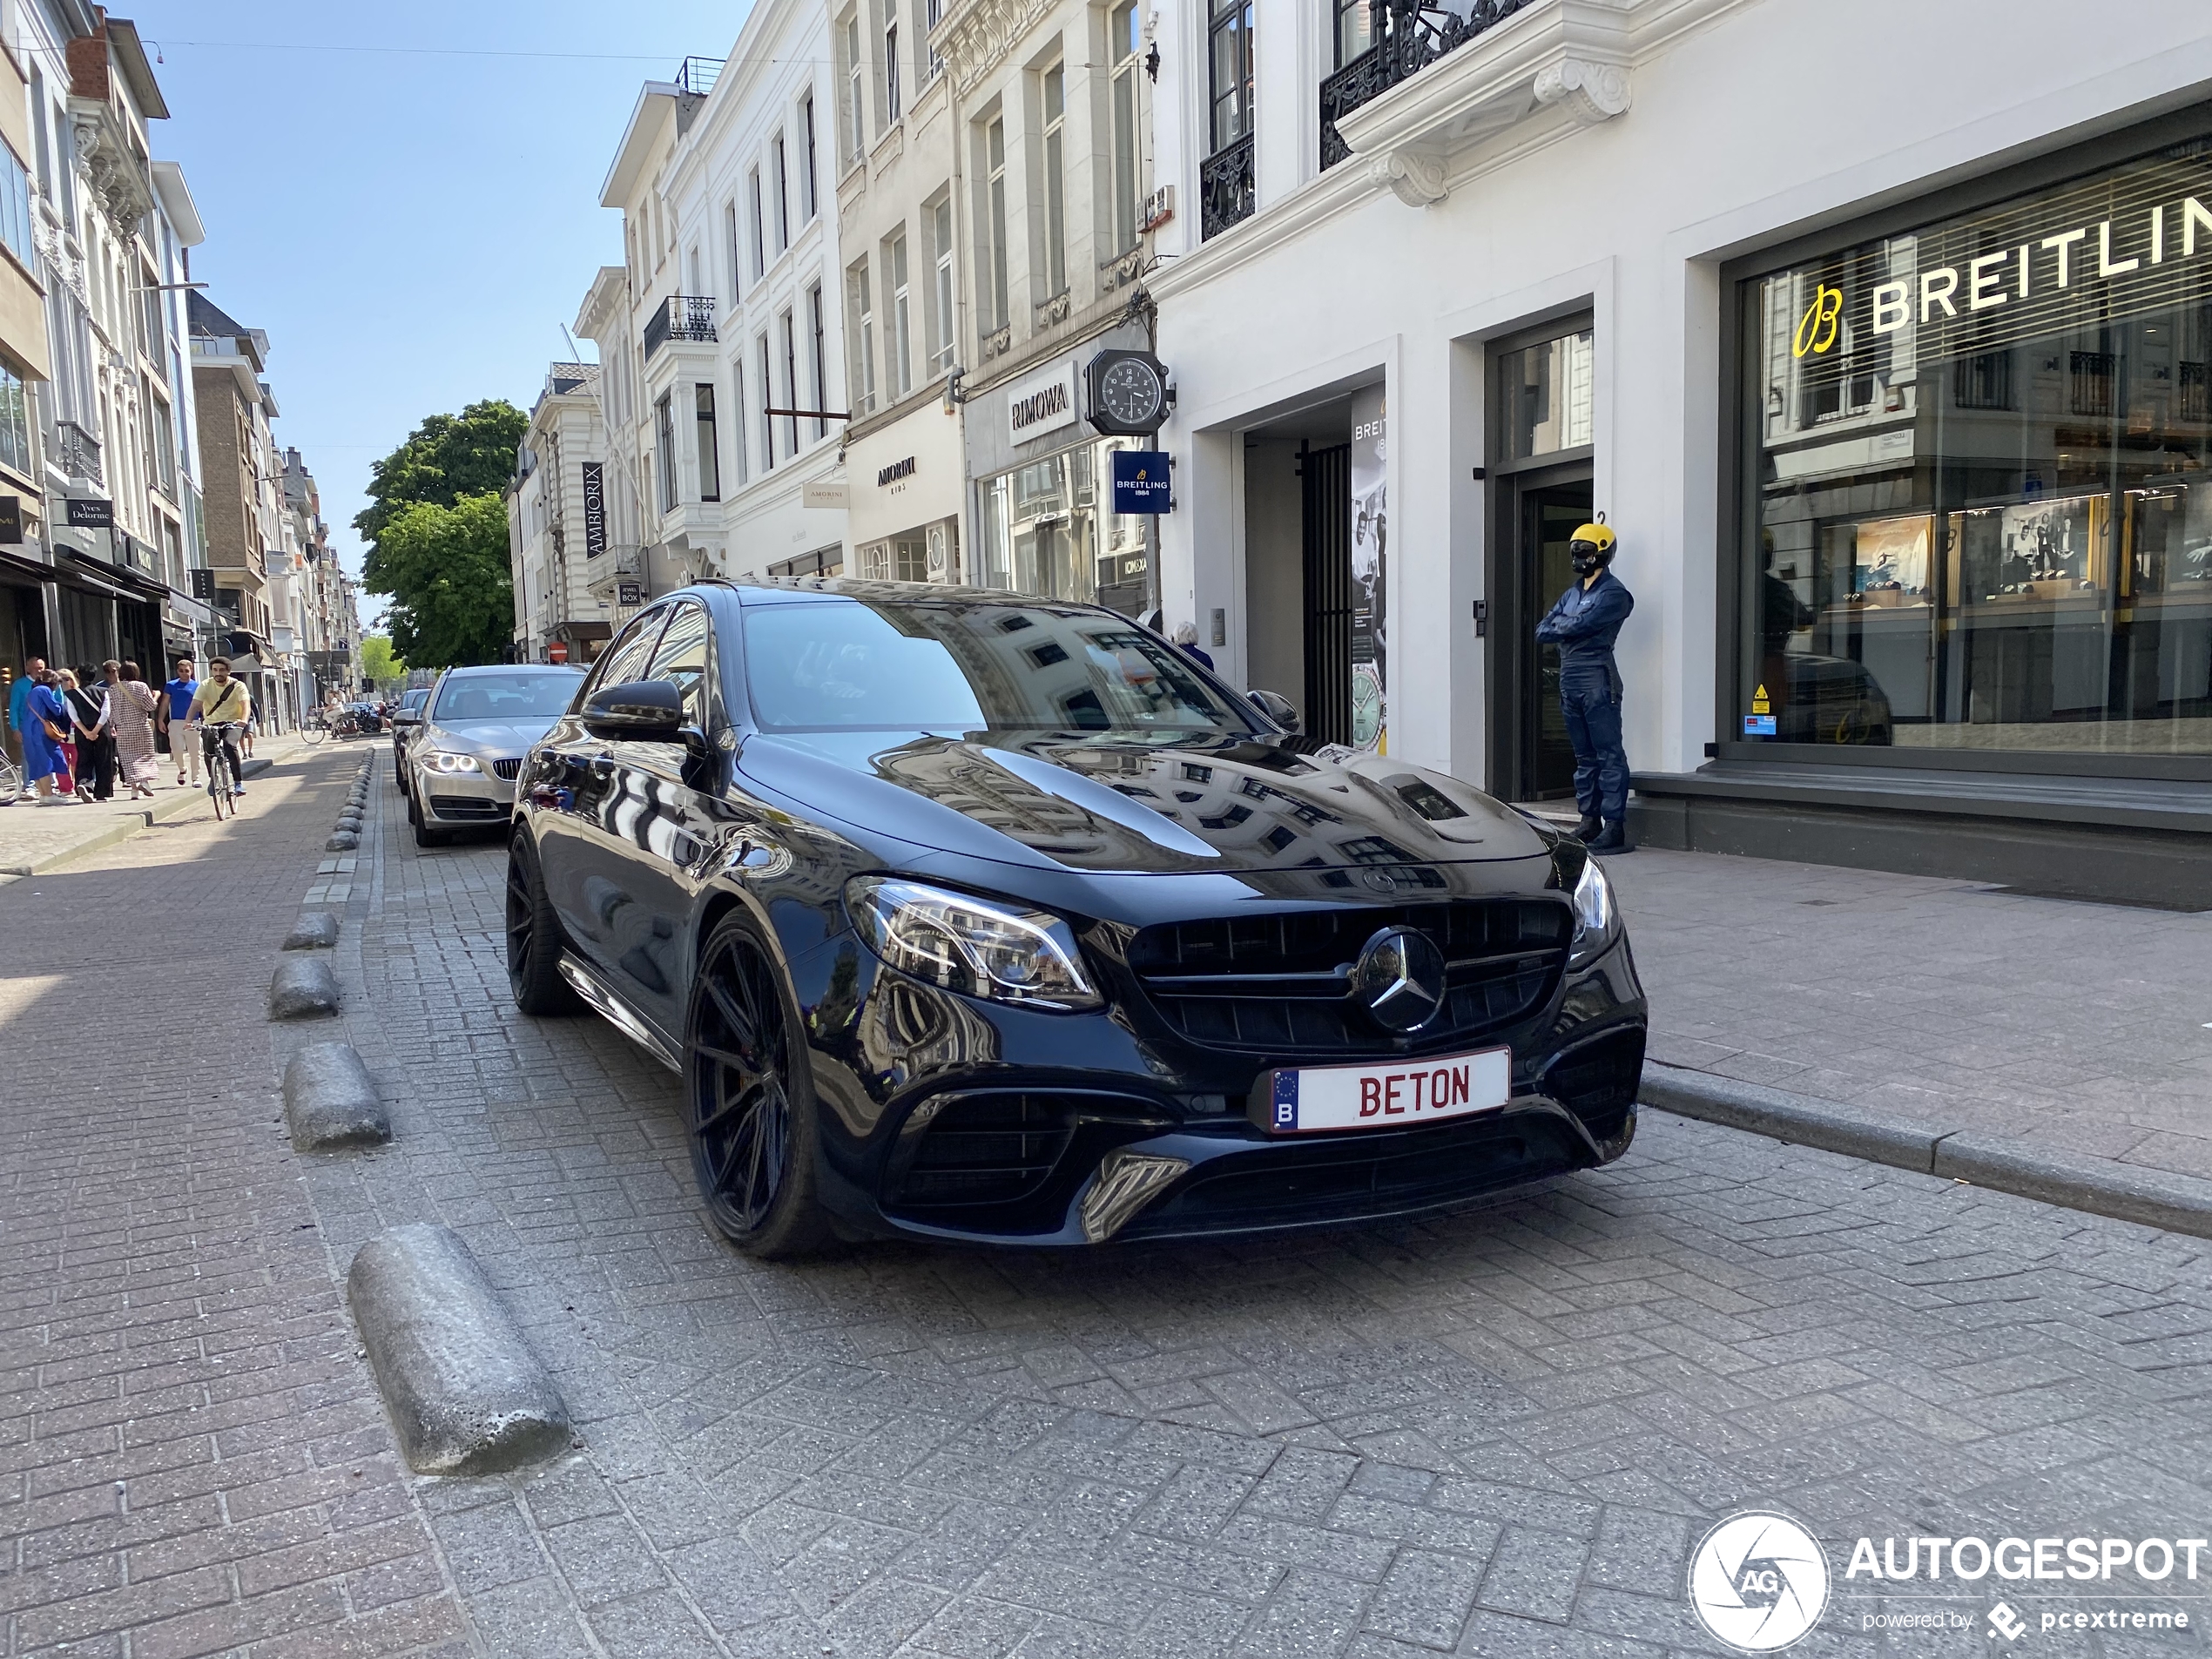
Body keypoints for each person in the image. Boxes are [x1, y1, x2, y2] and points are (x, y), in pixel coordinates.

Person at [1534, 517, 1635, 853]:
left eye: (1586, 549)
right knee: (1584, 757)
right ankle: (1589, 821)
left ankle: (1614, 826)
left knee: (1608, 754)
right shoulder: (1572, 593)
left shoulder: (1615, 593)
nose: (1579, 555)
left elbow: (1573, 625)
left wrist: (1567, 624)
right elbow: (1542, 631)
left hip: (1597, 680)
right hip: (1570, 679)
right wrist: (1570, 624)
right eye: (1576, 549)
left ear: (1603, 553)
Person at [186, 655, 252, 799]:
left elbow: (245, 705)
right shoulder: (205, 685)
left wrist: (243, 720)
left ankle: (238, 782)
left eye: (222, 670)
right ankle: (213, 779)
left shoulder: (238, 686)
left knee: (229, 745)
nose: (218, 673)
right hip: (211, 722)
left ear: (228, 671)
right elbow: (196, 704)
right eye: (215, 670)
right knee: (209, 752)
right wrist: (188, 721)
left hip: (233, 723)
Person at [17, 664, 71, 805]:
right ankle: (49, 794)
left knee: (35, 762)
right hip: (39, 730)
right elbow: (56, 709)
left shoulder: (32, 691)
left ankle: (43, 795)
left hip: (28, 730)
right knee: (45, 760)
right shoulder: (44, 690)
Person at [108, 661, 161, 800]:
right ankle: (144, 782)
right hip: (141, 727)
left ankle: (134, 791)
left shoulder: (113, 689)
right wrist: (156, 696)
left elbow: (111, 710)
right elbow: (150, 706)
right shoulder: (141, 686)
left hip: (123, 729)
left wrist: (112, 725)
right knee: (145, 756)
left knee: (127, 758)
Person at [70, 663, 118, 803]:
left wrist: (86, 731)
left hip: (82, 730)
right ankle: (102, 792)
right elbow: (106, 713)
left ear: (78, 676)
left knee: (84, 757)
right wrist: (96, 730)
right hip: (102, 729)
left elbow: (73, 715)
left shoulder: (72, 694)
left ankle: (85, 783)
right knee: (104, 759)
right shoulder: (103, 691)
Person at [7, 654, 46, 801]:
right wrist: (15, 728)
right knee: (28, 757)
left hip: (47, 727)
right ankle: (30, 786)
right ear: (28, 668)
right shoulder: (20, 684)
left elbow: (58, 703)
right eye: (36, 668)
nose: (39, 671)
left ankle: (50, 785)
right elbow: (14, 707)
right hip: (27, 727)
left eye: (41, 668)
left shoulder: (49, 682)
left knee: (48, 755)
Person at [162, 657, 200, 787]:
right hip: (176, 721)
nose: (184, 673)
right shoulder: (171, 685)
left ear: (191, 671)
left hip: (193, 721)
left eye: (187, 670)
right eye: (181, 671)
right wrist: (161, 719)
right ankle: (182, 769)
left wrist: (205, 719)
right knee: (176, 749)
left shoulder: (197, 686)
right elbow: (165, 702)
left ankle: (196, 777)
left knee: (195, 750)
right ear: (178, 671)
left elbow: (202, 704)